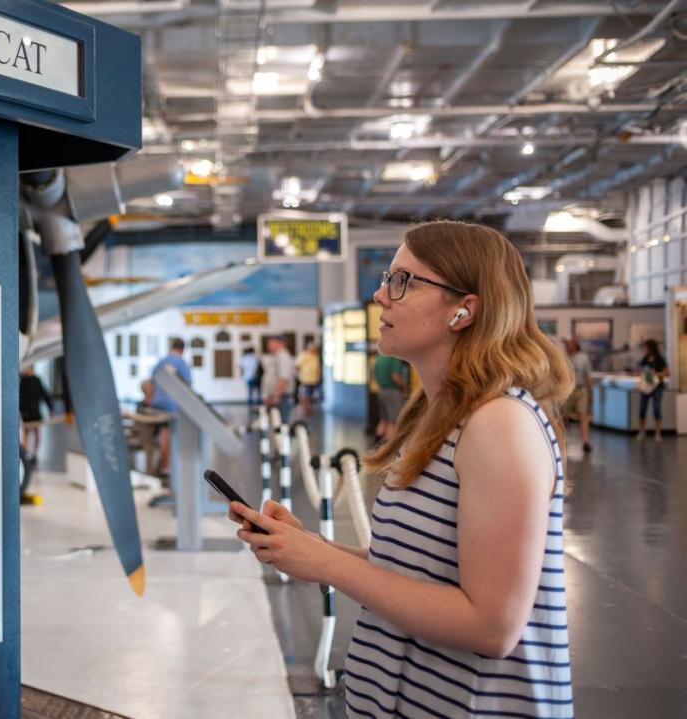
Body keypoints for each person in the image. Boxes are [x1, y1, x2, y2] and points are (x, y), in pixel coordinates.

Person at [228, 221, 575, 717]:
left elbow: (491, 627)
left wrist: (326, 565)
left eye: (402, 281)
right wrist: (309, 548)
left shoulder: (499, 423)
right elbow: (415, 571)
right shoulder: (441, 416)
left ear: (464, 310)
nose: (380, 295)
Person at [150, 338, 192, 476]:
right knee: (168, 434)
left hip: (158, 403)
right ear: (182, 349)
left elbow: (152, 383)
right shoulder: (181, 363)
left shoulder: (162, 361)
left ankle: (163, 464)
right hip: (172, 404)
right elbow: (188, 385)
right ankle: (165, 466)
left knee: (164, 432)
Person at [563, 338, 593, 452]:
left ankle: (585, 441)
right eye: (567, 345)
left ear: (576, 345)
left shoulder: (583, 357)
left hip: (581, 389)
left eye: (570, 344)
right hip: (567, 390)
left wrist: (590, 392)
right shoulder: (563, 357)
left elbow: (587, 375)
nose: (568, 346)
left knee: (583, 415)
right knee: (563, 416)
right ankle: (562, 440)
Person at [637, 338, 669, 440]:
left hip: (657, 387)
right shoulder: (645, 358)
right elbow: (641, 369)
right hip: (646, 387)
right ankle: (642, 431)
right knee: (642, 409)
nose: (644, 349)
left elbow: (667, 373)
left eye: (646, 347)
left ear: (651, 348)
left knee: (656, 409)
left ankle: (658, 432)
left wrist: (656, 374)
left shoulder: (660, 359)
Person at [372, 351, 407, 442]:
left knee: (383, 420)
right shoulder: (394, 358)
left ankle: (376, 446)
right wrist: (405, 385)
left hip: (381, 391)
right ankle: (389, 449)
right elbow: (396, 377)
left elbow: (374, 374)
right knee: (393, 422)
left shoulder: (379, 358)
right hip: (392, 392)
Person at [19, 365, 53, 456]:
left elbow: (44, 394)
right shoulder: (25, 381)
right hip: (29, 411)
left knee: (33, 432)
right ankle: (29, 453)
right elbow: (45, 395)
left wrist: (51, 409)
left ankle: (32, 453)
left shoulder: (31, 380)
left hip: (31, 411)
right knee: (29, 432)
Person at [262, 336, 296, 422]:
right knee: (276, 421)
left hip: (281, 397)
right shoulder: (276, 356)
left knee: (282, 423)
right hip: (276, 395)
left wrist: (276, 396)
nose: (268, 345)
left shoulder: (283, 356)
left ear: (279, 343)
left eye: (271, 343)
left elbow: (284, 378)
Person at [295, 341, 322, 416]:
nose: (316, 350)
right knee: (304, 395)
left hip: (315, 380)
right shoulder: (304, 354)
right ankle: (304, 409)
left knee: (313, 396)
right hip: (305, 380)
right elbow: (297, 365)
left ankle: (310, 409)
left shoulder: (315, 356)